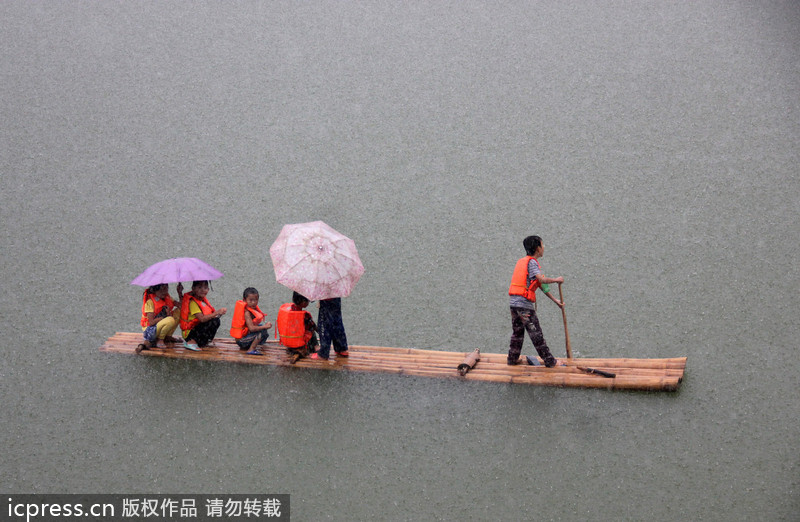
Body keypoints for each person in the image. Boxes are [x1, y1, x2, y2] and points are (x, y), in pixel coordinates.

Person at [507, 235, 564, 367]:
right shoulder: (532, 263)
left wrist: (556, 301)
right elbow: (542, 279)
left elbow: (540, 285)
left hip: (514, 304)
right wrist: (557, 280)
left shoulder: (523, 262)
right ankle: (550, 362)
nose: (544, 248)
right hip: (523, 306)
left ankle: (512, 359)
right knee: (536, 334)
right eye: (542, 245)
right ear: (537, 248)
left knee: (517, 333)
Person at [179, 280, 227, 351]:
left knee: (216, 321)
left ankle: (203, 341)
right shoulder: (193, 303)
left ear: (208, 289)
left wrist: (219, 314)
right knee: (211, 321)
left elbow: (210, 316)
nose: (202, 290)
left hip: (197, 331)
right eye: (199, 287)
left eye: (205, 288)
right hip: (189, 335)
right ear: (193, 288)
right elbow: (202, 319)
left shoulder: (203, 300)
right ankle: (191, 342)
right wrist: (217, 312)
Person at [136, 283, 180, 353]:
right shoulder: (150, 302)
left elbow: (180, 305)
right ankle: (160, 339)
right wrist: (166, 316)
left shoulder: (166, 297)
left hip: (160, 324)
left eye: (165, 289)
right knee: (170, 320)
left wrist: (179, 292)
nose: (164, 292)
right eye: (161, 290)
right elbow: (151, 322)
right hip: (150, 330)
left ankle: (168, 336)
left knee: (179, 311)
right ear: (154, 291)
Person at [230, 287, 272, 355]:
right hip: (242, 341)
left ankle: (254, 344)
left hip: (245, 338)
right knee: (262, 330)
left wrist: (264, 326)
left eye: (255, 300)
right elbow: (252, 329)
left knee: (261, 327)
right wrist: (265, 326)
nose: (253, 303)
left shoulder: (251, 309)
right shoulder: (247, 313)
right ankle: (251, 349)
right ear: (244, 300)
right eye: (250, 300)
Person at [276, 291, 318, 360]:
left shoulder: (288, 311)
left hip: (289, 342)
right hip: (299, 342)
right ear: (304, 303)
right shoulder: (304, 316)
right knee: (311, 330)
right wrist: (321, 332)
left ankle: (293, 349)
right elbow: (313, 326)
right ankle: (316, 347)